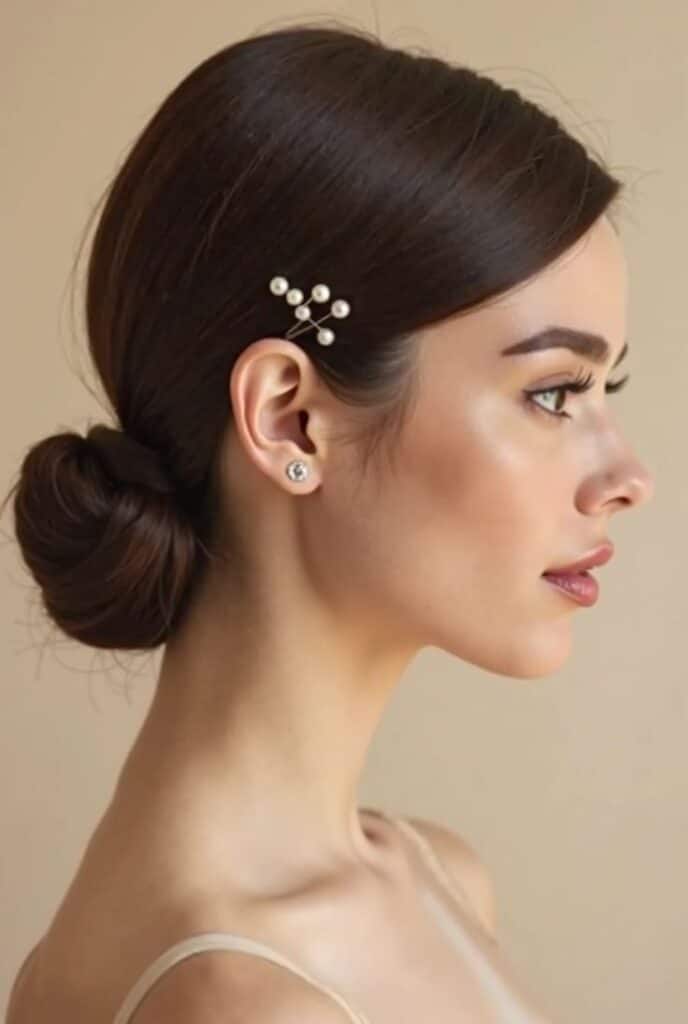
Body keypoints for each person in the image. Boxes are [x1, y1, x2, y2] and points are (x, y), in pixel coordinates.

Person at [4, 20, 654, 1024]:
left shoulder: (435, 875)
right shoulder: (246, 1000)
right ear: (289, 416)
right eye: (554, 393)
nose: (627, 478)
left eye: (605, 387)